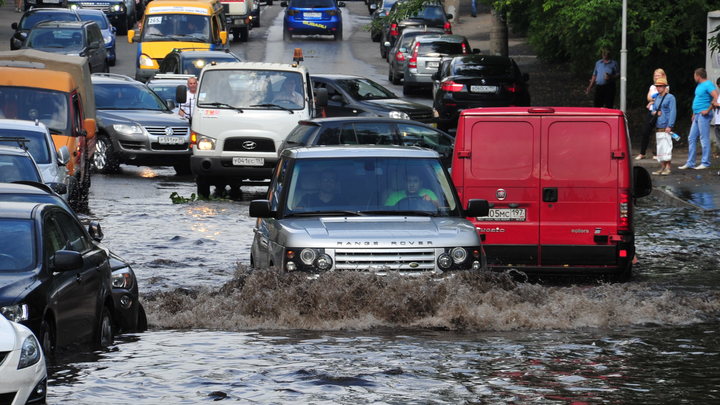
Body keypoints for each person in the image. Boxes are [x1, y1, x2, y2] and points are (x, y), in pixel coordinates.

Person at [679, 68, 719, 170]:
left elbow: (716, 96)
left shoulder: (708, 84)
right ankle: (690, 162)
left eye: (694, 75)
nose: (694, 77)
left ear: (698, 76)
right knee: (691, 137)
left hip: (703, 115)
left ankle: (705, 162)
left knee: (703, 138)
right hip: (697, 114)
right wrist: (693, 113)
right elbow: (698, 99)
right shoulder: (699, 85)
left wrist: (708, 109)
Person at [636, 68, 669, 160]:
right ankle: (642, 153)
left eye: (658, 75)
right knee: (645, 131)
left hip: (660, 112)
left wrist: (652, 100)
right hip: (651, 112)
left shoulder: (666, 87)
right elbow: (649, 97)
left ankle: (656, 153)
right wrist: (652, 100)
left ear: (663, 76)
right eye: (655, 75)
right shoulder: (652, 87)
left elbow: (661, 97)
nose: (656, 77)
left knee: (658, 133)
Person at [650, 77, 676, 175]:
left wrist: (670, 125)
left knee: (667, 146)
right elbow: (653, 111)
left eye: (660, 86)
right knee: (660, 147)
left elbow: (673, 111)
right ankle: (662, 167)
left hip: (666, 126)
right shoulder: (656, 98)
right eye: (657, 86)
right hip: (658, 125)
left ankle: (668, 168)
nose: (658, 88)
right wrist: (655, 112)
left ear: (665, 87)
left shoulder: (671, 97)